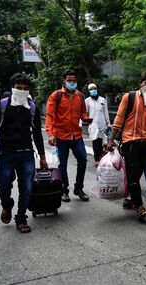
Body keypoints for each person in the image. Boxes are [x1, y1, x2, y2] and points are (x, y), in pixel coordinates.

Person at [0, 73, 48, 233]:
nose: (21, 91)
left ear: (29, 91)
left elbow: (37, 135)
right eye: (18, 88)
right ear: (12, 88)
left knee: (26, 188)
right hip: (6, 154)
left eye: (25, 89)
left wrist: (42, 156)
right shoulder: (1, 106)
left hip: (26, 154)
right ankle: (7, 205)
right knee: (3, 185)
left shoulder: (32, 108)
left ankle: (21, 219)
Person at [106, 70, 146, 219]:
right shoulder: (129, 97)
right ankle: (139, 206)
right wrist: (111, 140)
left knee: (138, 172)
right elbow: (119, 119)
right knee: (133, 174)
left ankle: (129, 199)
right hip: (129, 142)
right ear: (141, 83)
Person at [45, 69, 91, 202]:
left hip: (76, 135)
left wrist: (86, 119)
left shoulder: (80, 96)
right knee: (62, 165)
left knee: (82, 160)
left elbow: (83, 113)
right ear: (64, 81)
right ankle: (64, 190)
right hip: (60, 136)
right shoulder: (56, 95)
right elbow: (49, 116)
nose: (72, 82)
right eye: (69, 80)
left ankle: (79, 188)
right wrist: (51, 134)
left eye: (74, 80)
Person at [85, 83, 111, 164]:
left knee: (102, 142)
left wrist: (108, 124)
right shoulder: (87, 101)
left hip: (102, 124)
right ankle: (97, 159)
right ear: (89, 91)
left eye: (94, 88)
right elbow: (84, 113)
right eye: (91, 89)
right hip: (93, 125)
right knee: (95, 142)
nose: (93, 90)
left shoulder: (102, 100)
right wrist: (82, 123)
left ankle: (101, 158)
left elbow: (106, 112)